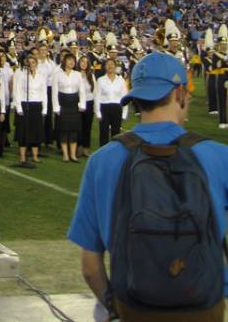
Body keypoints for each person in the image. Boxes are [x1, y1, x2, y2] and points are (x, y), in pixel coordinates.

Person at [68, 52, 228, 321]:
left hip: (133, 307)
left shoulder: (102, 160)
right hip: (204, 307)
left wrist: (112, 306)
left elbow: (90, 267)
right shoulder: (219, 155)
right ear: (179, 93)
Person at [13, 53, 47, 165]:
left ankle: (35, 156)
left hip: (36, 105)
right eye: (29, 63)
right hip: (24, 104)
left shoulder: (41, 76)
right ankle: (22, 157)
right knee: (23, 132)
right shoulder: (22, 75)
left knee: (35, 131)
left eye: (33, 62)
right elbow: (17, 91)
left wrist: (44, 109)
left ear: (36, 64)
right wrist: (18, 107)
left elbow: (44, 93)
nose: (31, 64)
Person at [52, 52, 85, 162]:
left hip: (74, 104)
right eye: (69, 60)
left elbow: (82, 91)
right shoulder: (57, 75)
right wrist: (56, 107)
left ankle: (73, 155)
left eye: (73, 60)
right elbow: (54, 92)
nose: (71, 62)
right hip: (63, 103)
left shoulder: (78, 74)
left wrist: (82, 104)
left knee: (74, 130)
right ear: (64, 61)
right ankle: (65, 154)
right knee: (64, 130)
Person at [94, 57, 128, 146]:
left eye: (112, 64)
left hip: (117, 108)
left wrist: (124, 114)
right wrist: (98, 113)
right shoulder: (100, 80)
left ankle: (114, 153)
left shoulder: (121, 80)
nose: (110, 66)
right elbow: (97, 97)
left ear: (115, 66)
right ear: (105, 67)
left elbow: (125, 97)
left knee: (116, 134)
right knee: (104, 133)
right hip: (104, 108)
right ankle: (103, 154)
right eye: (108, 64)